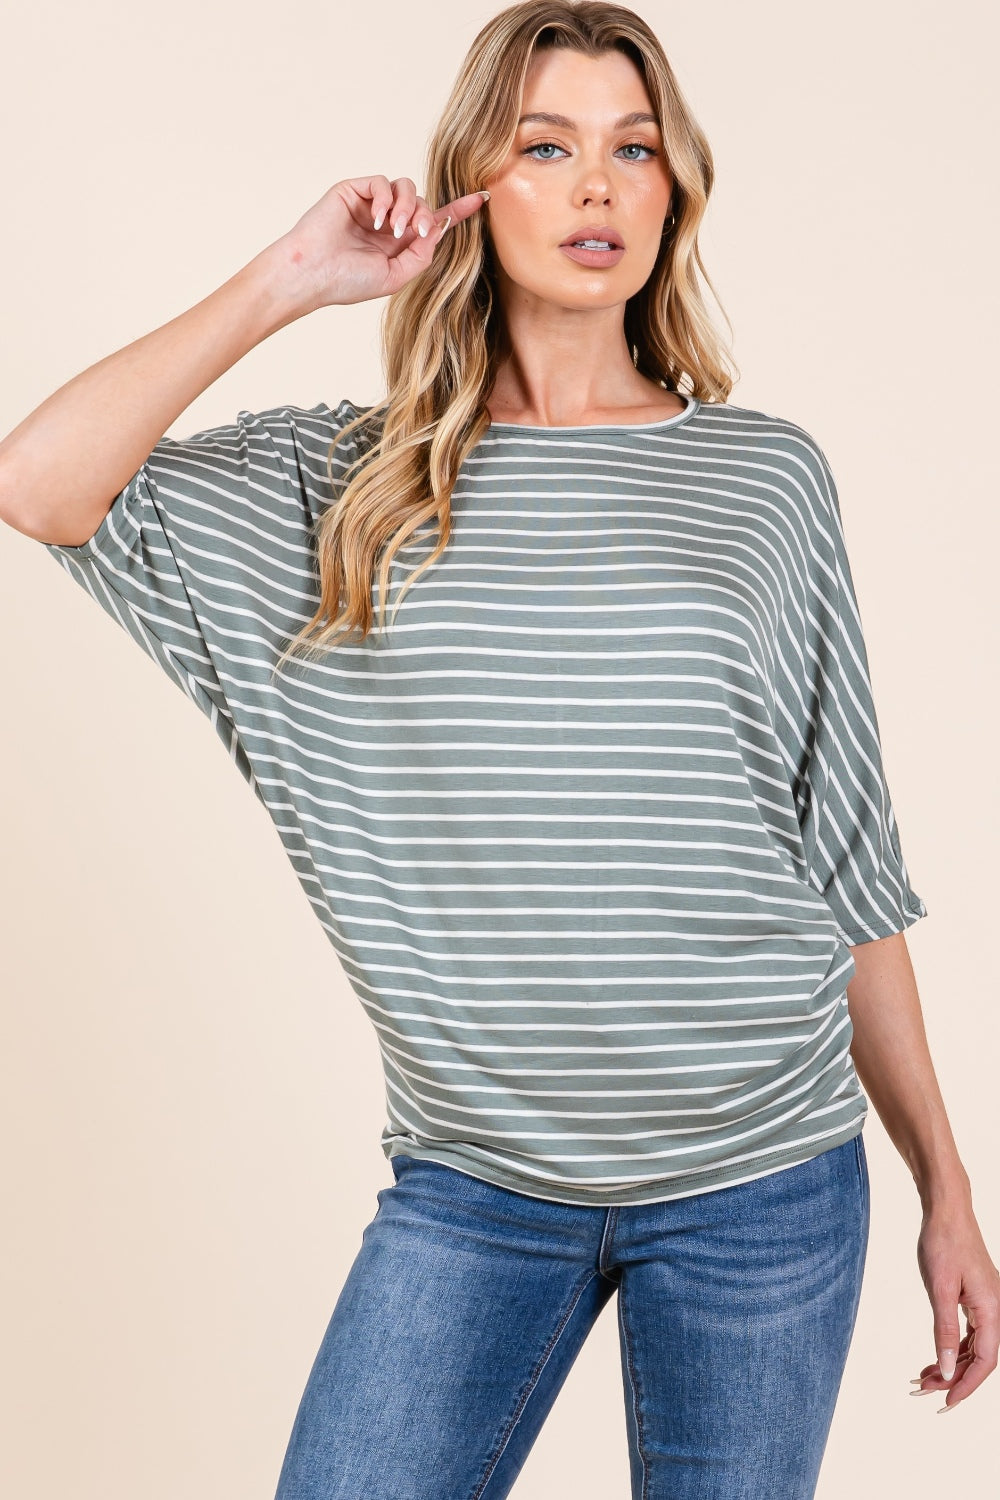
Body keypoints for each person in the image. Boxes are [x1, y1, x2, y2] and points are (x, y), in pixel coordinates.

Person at [1, 2, 996, 1496]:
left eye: (632, 149)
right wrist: (294, 276)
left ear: (674, 194)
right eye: (547, 146)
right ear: (472, 179)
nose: (596, 187)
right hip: (475, 1191)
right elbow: (42, 485)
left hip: (763, 1184)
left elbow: (846, 860)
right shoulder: (341, 486)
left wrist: (946, 1188)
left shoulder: (766, 479)